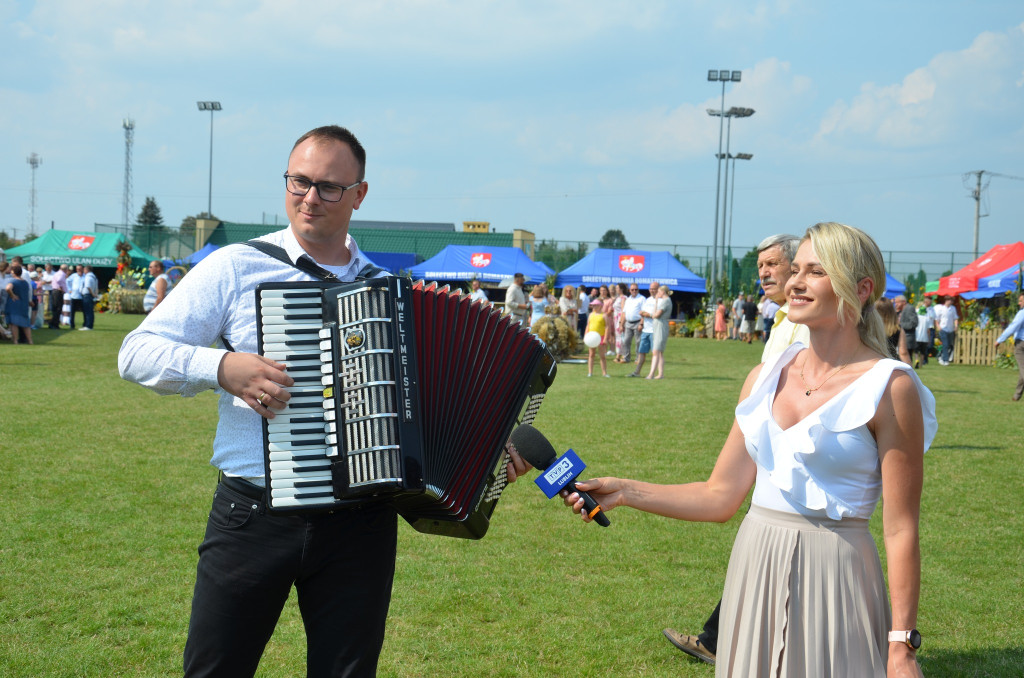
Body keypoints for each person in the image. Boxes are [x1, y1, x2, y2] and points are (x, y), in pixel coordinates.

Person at [119, 125, 531, 677]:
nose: (310, 197)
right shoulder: (235, 266)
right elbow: (135, 352)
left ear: (360, 194)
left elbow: (426, 408)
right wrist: (220, 366)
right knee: (215, 669)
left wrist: (486, 458)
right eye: (299, 181)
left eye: (329, 187)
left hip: (362, 526)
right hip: (253, 516)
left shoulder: (390, 292)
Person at [568, 222, 935, 677]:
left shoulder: (890, 386)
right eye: (795, 268)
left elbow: (901, 530)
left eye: (816, 271)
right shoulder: (763, 377)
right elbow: (719, 495)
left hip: (837, 577)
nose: (796, 281)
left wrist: (902, 646)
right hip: (754, 565)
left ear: (861, 289)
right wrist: (624, 490)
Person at [663, 233, 807, 665]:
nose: (764, 272)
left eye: (773, 264)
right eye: (760, 265)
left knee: (771, 556)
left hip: (790, 460)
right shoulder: (784, 318)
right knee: (768, 556)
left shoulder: (806, 322)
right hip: (767, 454)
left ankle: (716, 638)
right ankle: (720, 638)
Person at [995, 293, 1024, 401]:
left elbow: (1013, 327)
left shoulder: (1022, 313)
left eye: (1021, 301)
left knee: (1023, 369)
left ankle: (1017, 395)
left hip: (1021, 343)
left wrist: (999, 340)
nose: (1019, 303)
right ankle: (1017, 395)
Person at [628, 282, 659, 377]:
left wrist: (648, 315)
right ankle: (637, 372)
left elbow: (658, 315)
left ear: (658, 289)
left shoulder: (660, 301)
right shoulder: (648, 300)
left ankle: (653, 373)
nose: (652, 290)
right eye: (651, 288)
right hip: (646, 330)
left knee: (655, 353)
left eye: (654, 289)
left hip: (655, 330)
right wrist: (641, 322)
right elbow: (644, 313)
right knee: (641, 352)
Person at [645, 286, 672, 379]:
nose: (657, 293)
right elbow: (655, 314)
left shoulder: (666, 301)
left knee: (656, 351)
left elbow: (656, 314)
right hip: (657, 325)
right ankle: (660, 374)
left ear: (663, 292)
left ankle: (651, 374)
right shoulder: (663, 301)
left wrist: (653, 314)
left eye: (659, 291)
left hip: (661, 325)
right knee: (659, 352)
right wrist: (656, 301)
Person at [4, 264, 33, 344]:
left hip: (14, 305)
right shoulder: (25, 282)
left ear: (13, 272)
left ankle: (15, 340)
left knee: (14, 323)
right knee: (26, 324)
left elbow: (8, 288)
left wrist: (12, 295)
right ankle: (30, 341)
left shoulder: (13, 281)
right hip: (24, 304)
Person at [877, 298, 911, 364]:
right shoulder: (897, 329)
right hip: (891, 361)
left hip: (874, 361)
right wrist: (910, 370)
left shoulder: (869, 329)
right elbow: (903, 352)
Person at [619, 284, 643, 362]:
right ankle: (626, 358)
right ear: (629, 290)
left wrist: (641, 324)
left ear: (638, 290)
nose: (634, 291)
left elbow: (643, 313)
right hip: (628, 323)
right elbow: (624, 313)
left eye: (636, 289)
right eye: (632, 289)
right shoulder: (628, 300)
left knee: (638, 342)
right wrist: (621, 324)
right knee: (626, 341)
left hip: (637, 322)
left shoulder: (642, 299)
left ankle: (638, 358)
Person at [585, 298, 609, 378]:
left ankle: (604, 373)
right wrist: (586, 335)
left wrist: (605, 338)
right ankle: (590, 372)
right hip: (591, 337)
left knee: (602, 355)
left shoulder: (604, 315)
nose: (594, 307)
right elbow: (588, 325)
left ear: (600, 306)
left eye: (595, 305)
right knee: (591, 355)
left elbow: (607, 327)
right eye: (593, 305)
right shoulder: (591, 315)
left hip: (600, 337)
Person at [934, 296, 959, 365]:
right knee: (945, 344)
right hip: (943, 328)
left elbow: (955, 318)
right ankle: (945, 360)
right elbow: (937, 319)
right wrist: (938, 327)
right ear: (946, 300)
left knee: (949, 345)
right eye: (950, 300)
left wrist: (956, 326)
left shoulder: (953, 308)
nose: (951, 302)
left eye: (952, 301)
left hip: (950, 329)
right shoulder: (941, 308)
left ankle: (939, 356)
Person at [895, 295, 918, 365]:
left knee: (907, 358)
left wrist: (900, 325)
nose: (896, 304)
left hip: (908, 338)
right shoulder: (902, 310)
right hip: (904, 337)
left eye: (897, 302)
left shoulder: (909, 308)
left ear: (904, 302)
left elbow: (914, 323)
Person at [79, 265, 99, 331]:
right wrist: (95, 294)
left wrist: (92, 294)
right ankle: (89, 325)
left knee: (87, 311)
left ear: (87, 270)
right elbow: (96, 287)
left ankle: (88, 325)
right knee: (90, 311)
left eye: (84, 270)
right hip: (90, 295)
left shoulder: (88, 277)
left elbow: (88, 286)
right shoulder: (94, 277)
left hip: (87, 295)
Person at [49, 264, 68, 329]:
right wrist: (61, 287)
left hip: (55, 291)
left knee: (55, 308)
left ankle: (53, 323)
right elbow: (59, 280)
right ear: (65, 269)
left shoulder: (57, 273)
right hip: (58, 292)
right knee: (58, 308)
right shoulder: (61, 274)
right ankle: (54, 324)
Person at [67, 264, 84, 329]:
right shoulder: (73, 276)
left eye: (79, 269)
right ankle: (72, 325)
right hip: (74, 296)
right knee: (72, 312)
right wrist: (69, 289)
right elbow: (67, 281)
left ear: (82, 269)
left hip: (82, 296)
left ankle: (85, 324)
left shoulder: (85, 276)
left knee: (84, 311)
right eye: (77, 269)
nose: (78, 270)